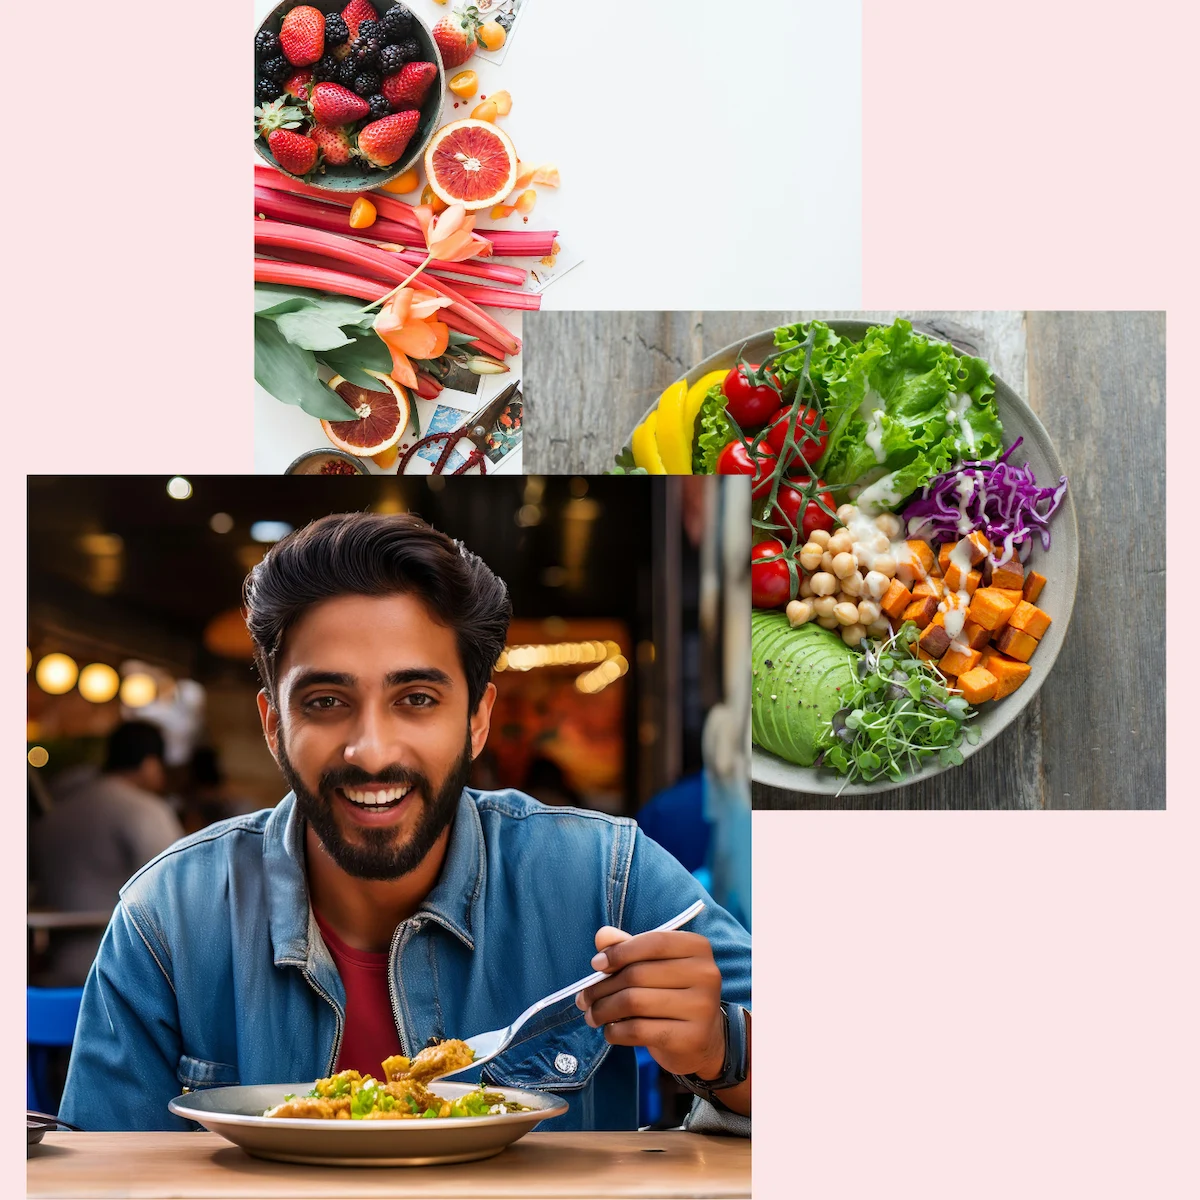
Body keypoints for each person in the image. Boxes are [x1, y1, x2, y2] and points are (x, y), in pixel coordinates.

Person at [60, 513, 751, 1133]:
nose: (373, 751)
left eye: (416, 698)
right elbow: (98, 1173)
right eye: (327, 700)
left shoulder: (607, 876)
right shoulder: (167, 918)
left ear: (477, 718)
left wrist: (727, 1052)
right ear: (275, 725)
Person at [30, 721, 184, 987]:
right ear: (150, 764)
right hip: (121, 973)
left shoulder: (58, 812)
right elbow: (176, 890)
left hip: (52, 969)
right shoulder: (144, 810)